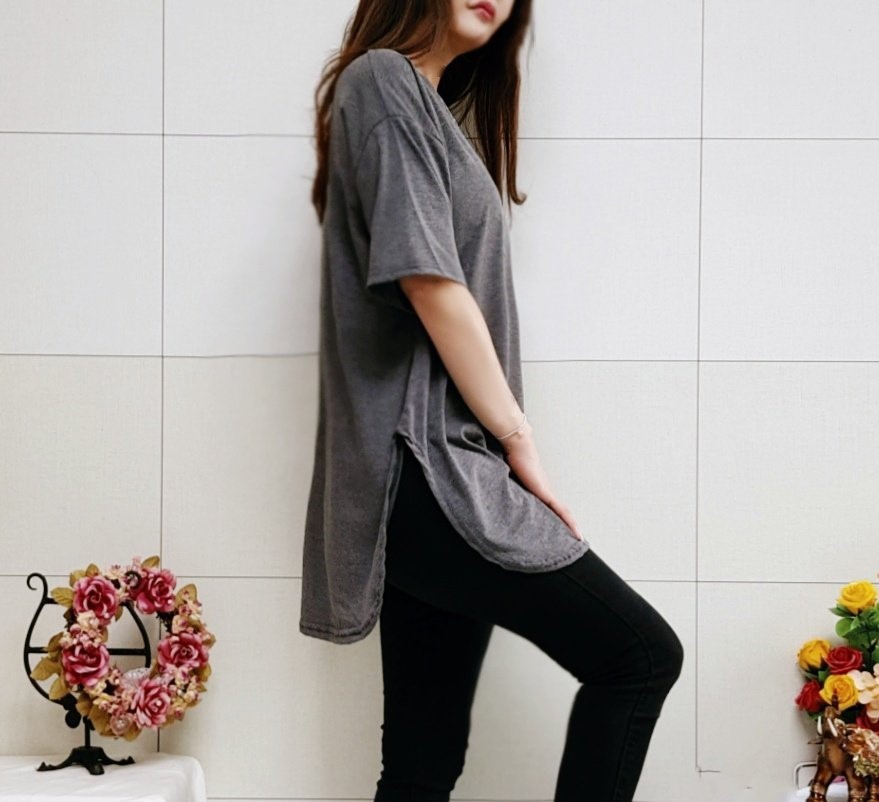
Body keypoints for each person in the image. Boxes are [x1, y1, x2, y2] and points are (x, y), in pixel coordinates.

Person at [301, 1, 685, 800]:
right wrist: (517, 440)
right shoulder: (383, 81)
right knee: (639, 656)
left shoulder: (418, 107)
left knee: (422, 761)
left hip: (423, 472)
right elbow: (429, 283)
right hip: (430, 467)